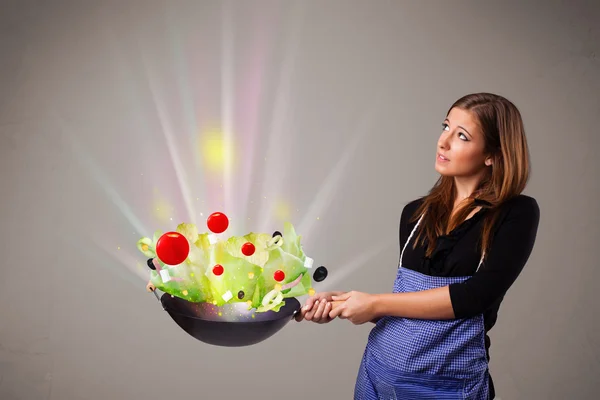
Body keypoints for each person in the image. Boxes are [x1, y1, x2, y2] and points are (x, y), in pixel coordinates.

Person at [295, 92, 540, 399]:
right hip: (378, 374)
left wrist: (375, 303)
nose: (443, 142)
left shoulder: (515, 213)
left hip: (447, 386)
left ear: (492, 153)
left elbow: (475, 297)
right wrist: (346, 302)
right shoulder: (415, 213)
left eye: (462, 136)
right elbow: (410, 304)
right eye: (445, 126)